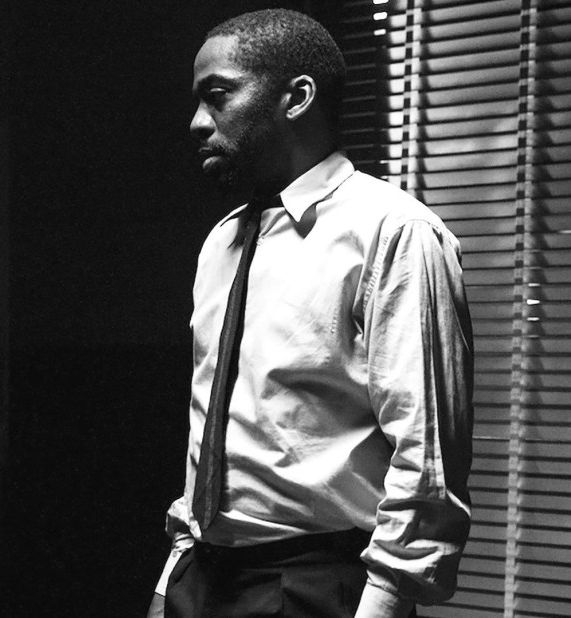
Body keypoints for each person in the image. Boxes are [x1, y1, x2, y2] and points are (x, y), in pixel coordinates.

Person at [149, 9, 474, 618]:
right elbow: (216, 431)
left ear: (297, 98)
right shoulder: (222, 242)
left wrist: (384, 603)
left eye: (218, 96)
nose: (197, 122)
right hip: (203, 578)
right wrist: (174, 579)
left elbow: (427, 459)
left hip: (316, 585)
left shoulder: (394, 233)